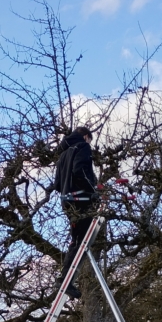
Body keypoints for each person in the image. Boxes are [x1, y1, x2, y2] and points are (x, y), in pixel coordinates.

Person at [53, 126, 98, 299]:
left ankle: (65, 279)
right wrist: (92, 189)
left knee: (76, 240)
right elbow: (80, 171)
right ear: (86, 137)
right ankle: (65, 281)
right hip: (80, 200)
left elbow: (57, 184)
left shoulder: (63, 153)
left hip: (67, 201)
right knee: (81, 240)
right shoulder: (82, 147)